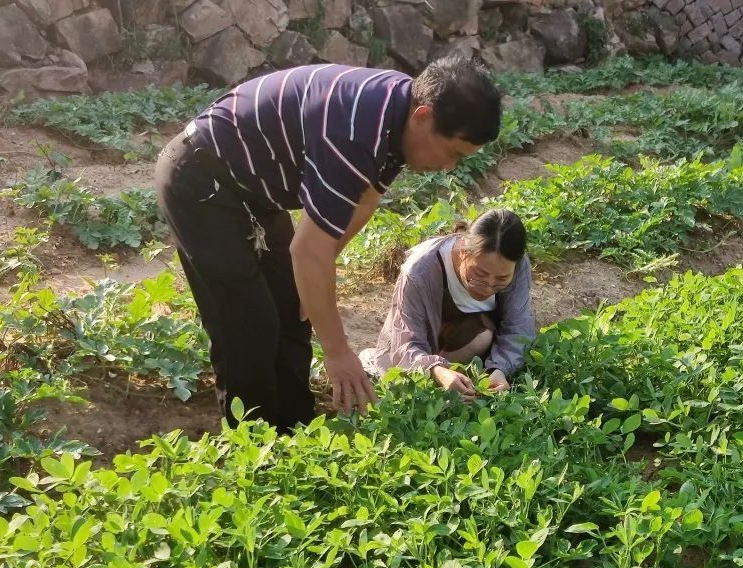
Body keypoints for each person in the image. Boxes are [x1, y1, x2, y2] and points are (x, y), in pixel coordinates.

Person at [154, 57, 502, 431]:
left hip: (252, 190)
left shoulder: (397, 113)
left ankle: (296, 434)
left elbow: (365, 200)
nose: (450, 167)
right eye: (453, 152)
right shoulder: (355, 132)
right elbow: (307, 250)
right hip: (203, 180)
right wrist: (338, 353)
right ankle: (254, 449)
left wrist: (316, 270)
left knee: (292, 307)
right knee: (248, 325)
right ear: (423, 116)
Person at [360, 209, 535, 400]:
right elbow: (405, 343)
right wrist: (437, 371)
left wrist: (500, 369)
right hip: (425, 348)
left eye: (501, 279)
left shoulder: (516, 264)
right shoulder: (420, 272)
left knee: (482, 337)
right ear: (463, 253)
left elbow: (518, 327)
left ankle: (463, 382)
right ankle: (442, 384)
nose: (488, 286)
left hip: (469, 344)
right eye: (479, 275)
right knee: (395, 379)